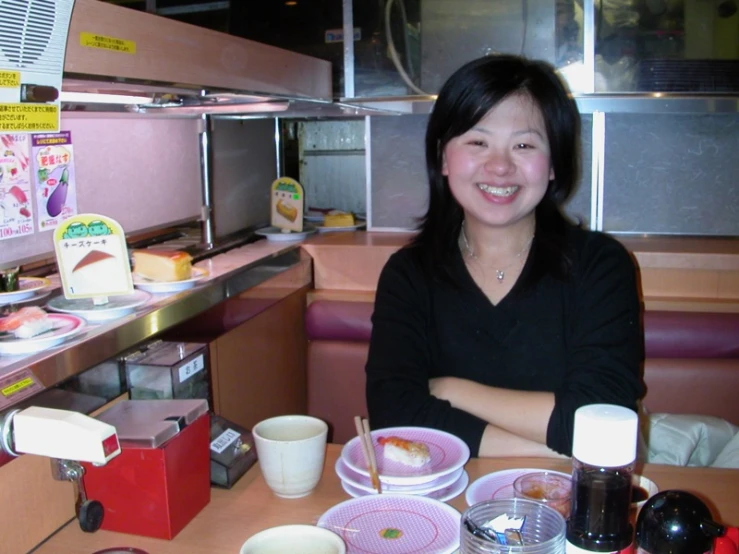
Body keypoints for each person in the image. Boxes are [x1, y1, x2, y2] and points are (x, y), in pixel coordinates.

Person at [365, 54, 644, 458]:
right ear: (444, 157)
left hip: (564, 503)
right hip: (445, 498)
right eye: (478, 142)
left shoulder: (599, 265)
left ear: (552, 165)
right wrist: (556, 451)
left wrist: (451, 391)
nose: (499, 166)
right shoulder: (408, 274)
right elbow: (393, 416)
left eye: (524, 145)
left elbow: (602, 416)